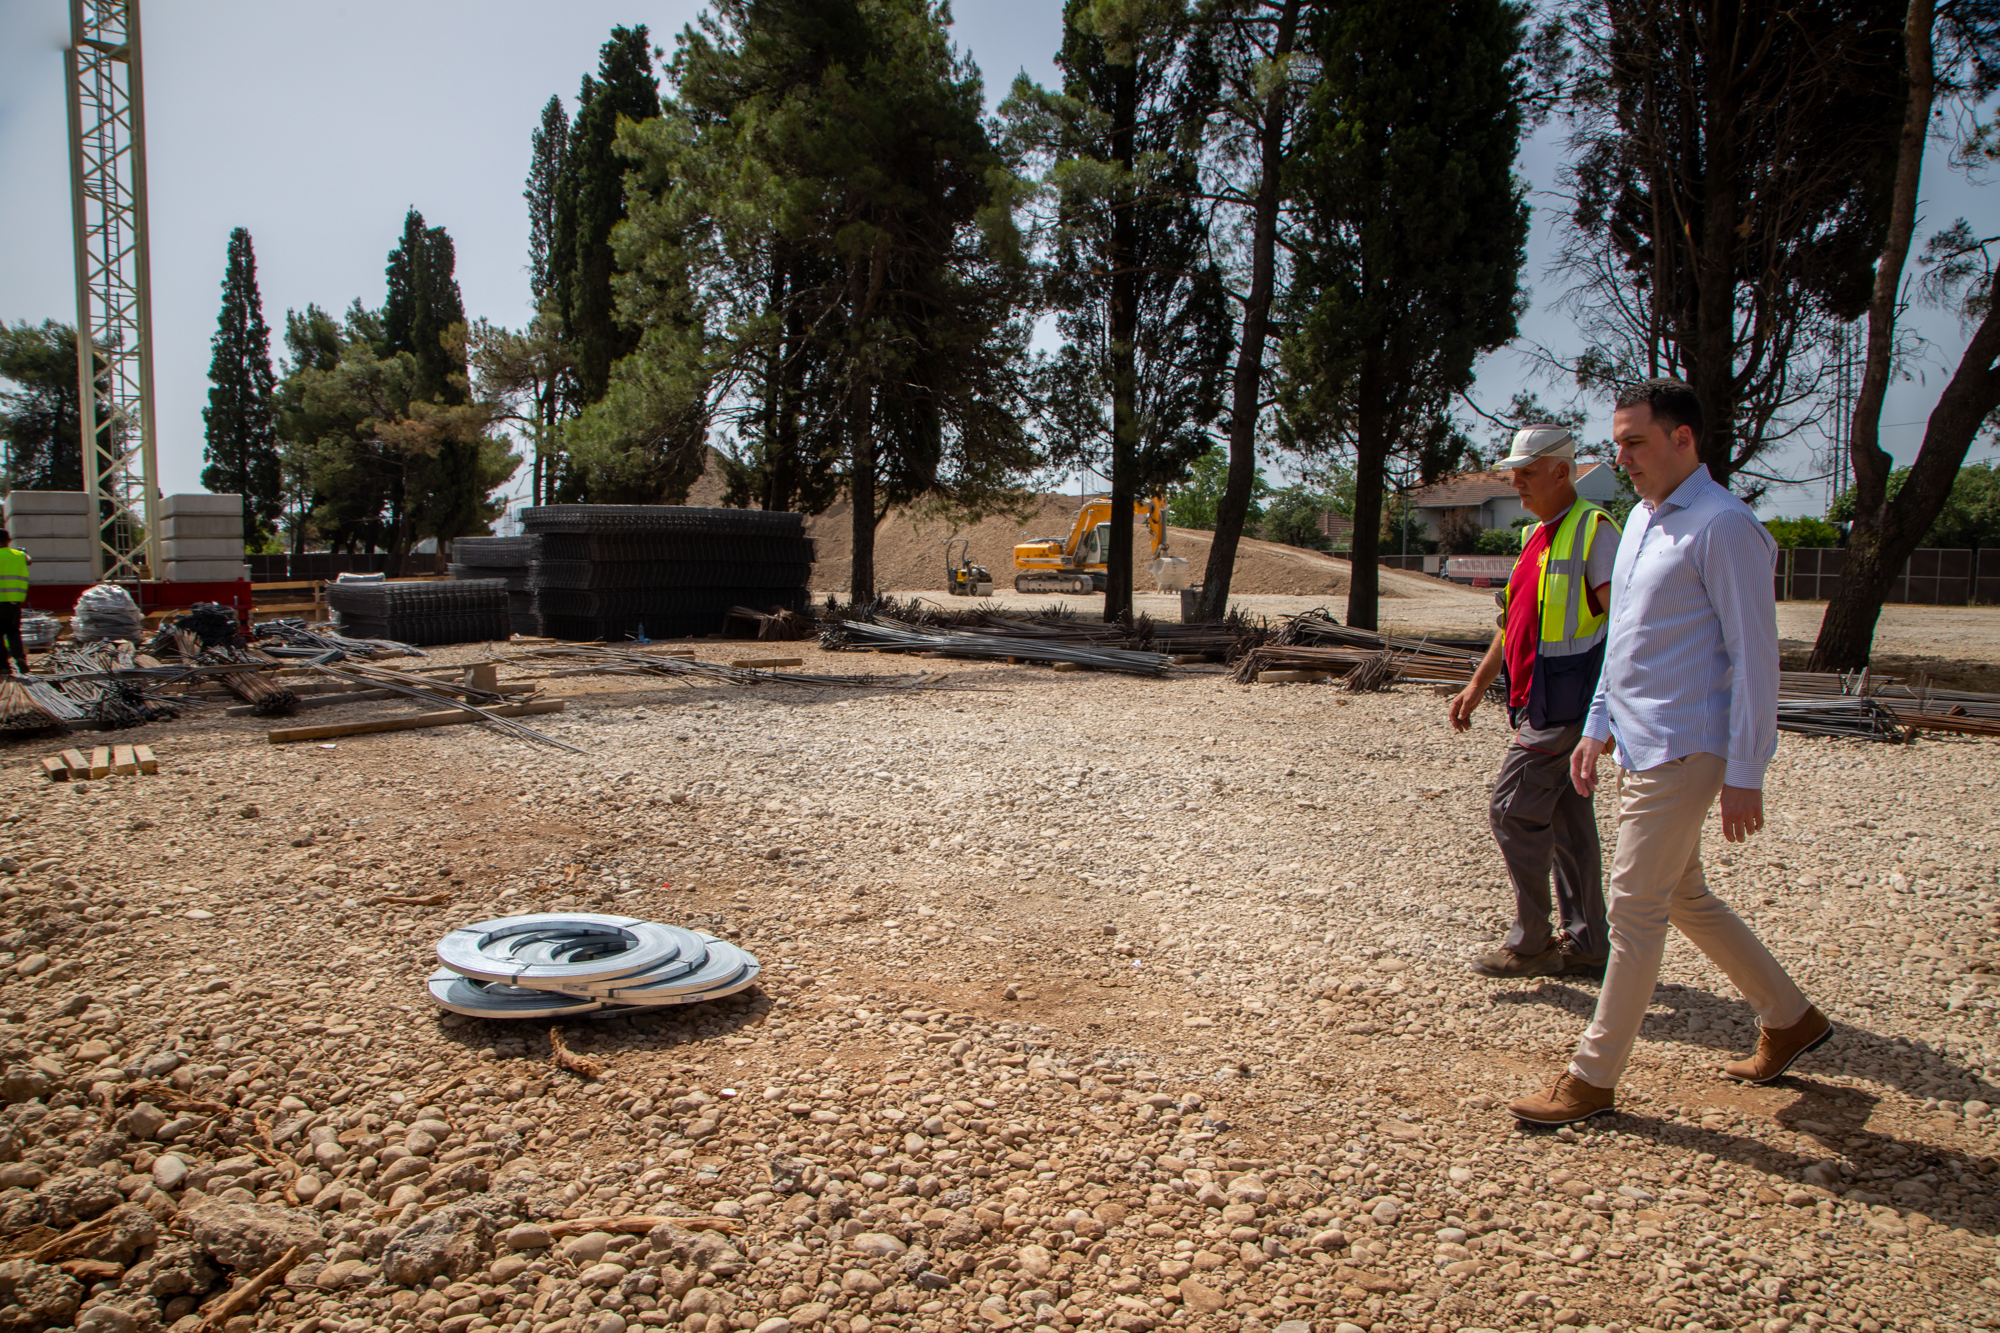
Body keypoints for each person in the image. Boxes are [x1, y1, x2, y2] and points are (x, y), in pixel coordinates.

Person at [1508, 380, 1829, 1126]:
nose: (1621, 458)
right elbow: (1624, 642)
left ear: (1685, 439)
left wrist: (1747, 770)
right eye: (1617, 443)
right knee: (1681, 895)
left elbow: (1756, 659)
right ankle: (1790, 1018)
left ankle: (1591, 1077)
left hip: (1689, 747)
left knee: (1634, 906)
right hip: (1642, 743)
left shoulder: (1725, 528)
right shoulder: (1645, 522)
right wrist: (1596, 724)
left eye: (1635, 442)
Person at [1448, 426, 1618, 979]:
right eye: (1513, 471)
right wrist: (1478, 683)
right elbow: (1512, 623)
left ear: (1561, 471)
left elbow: (1627, 630)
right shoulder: (1534, 538)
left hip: (1569, 705)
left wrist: (1610, 713)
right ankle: (1590, 944)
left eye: (1525, 471)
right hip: (1538, 701)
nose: (1514, 480)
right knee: (1567, 819)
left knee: (1512, 808)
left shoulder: (1595, 532)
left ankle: (1533, 942)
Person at [0, 530, 31, 676]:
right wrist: (23, 552)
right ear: (9, 540)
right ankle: (19, 658)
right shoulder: (19, 556)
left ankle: (4, 666)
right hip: (13, 602)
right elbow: (29, 560)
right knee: (13, 631)